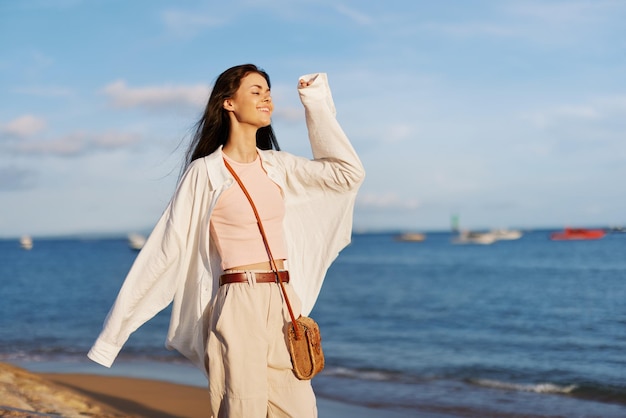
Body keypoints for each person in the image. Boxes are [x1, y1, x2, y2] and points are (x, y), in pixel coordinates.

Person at [88, 64, 365, 417]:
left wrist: (316, 102)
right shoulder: (205, 172)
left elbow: (347, 174)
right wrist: (113, 335)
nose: (267, 97)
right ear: (228, 103)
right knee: (242, 410)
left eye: (268, 91)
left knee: (299, 410)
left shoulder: (279, 166)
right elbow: (164, 250)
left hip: (285, 302)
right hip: (238, 302)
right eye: (255, 90)